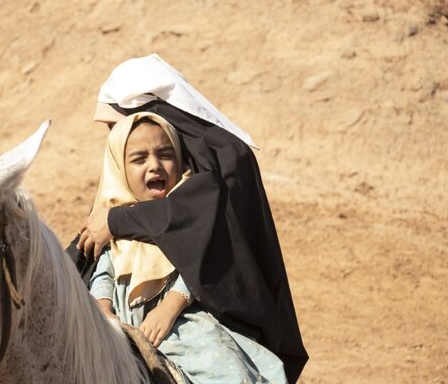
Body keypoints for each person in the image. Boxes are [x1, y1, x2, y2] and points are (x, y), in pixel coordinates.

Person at [69, 54, 308, 383]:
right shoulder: (122, 196)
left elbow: (197, 233)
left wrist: (115, 222)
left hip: (191, 323)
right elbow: (103, 264)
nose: (113, 135)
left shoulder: (218, 163)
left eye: (115, 124)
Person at [89, 111, 286, 383]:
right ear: (119, 168)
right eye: (139, 159)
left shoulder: (187, 214)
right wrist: (103, 309)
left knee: (228, 371)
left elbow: (197, 261)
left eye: (165, 154)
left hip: (182, 327)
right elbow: (104, 271)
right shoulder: (111, 219)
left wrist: (169, 308)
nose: (155, 166)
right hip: (129, 328)